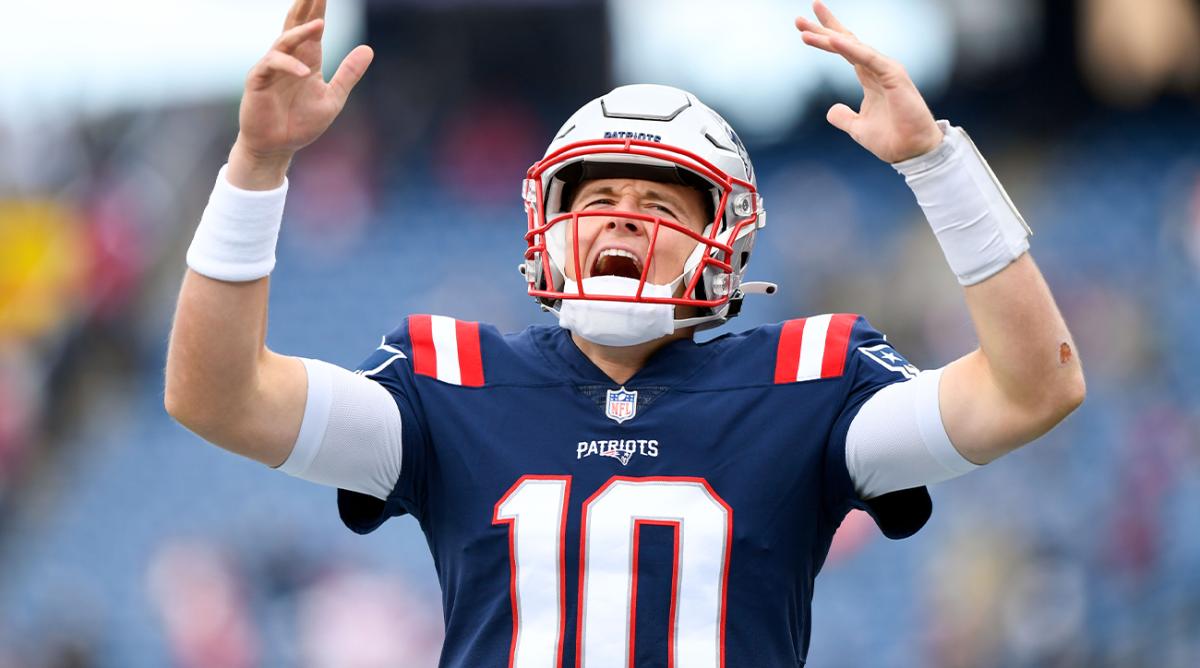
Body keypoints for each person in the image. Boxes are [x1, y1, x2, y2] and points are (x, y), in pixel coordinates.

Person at [164, 0, 1085, 665]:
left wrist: (937, 165)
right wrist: (257, 164)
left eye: (655, 200)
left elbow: (1032, 387)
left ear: (723, 236)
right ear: (547, 222)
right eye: (597, 196)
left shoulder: (811, 379)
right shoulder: (449, 381)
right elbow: (216, 396)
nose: (619, 219)